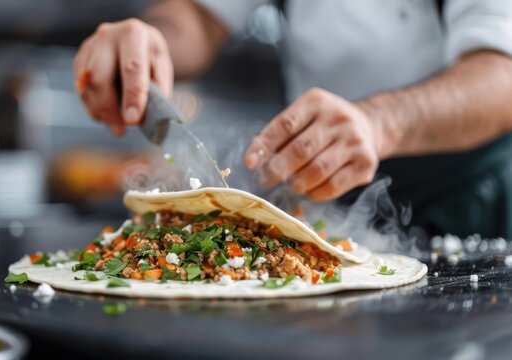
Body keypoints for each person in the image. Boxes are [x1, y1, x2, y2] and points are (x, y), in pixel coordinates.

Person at [73, 0, 512, 239]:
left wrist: (378, 123)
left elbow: (501, 74)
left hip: (466, 200)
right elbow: (198, 18)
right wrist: (149, 42)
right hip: (320, 190)